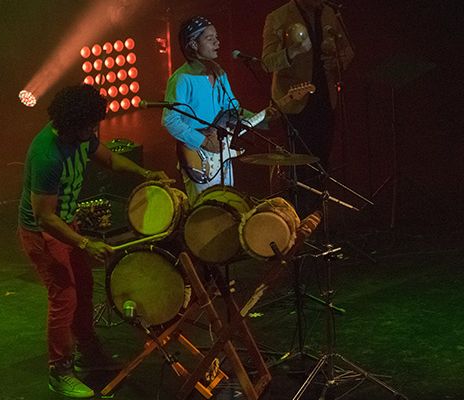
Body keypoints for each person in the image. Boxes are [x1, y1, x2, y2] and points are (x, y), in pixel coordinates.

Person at [18, 84, 168, 398]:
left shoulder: (82, 136)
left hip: (65, 224)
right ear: (70, 123)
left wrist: (145, 173)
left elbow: (110, 160)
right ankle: (59, 371)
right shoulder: (48, 155)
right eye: (89, 125)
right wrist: (86, 244)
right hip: (42, 233)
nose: (94, 129)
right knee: (65, 297)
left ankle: (90, 354)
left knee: (84, 289)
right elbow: (44, 216)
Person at [164, 16, 271, 201]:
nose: (217, 42)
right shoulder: (181, 79)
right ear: (193, 44)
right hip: (197, 158)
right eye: (209, 38)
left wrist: (263, 117)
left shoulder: (219, 72)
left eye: (217, 37)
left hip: (222, 155)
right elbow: (170, 120)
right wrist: (203, 141)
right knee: (205, 212)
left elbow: (232, 110)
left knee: (228, 208)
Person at [261, 0, 354, 213]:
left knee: (322, 159)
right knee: (299, 165)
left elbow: (348, 51)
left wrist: (337, 62)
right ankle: (296, 216)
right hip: (294, 100)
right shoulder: (278, 17)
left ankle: (318, 217)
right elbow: (267, 62)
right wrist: (292, 51)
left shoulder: (330, 13)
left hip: (325, 96)